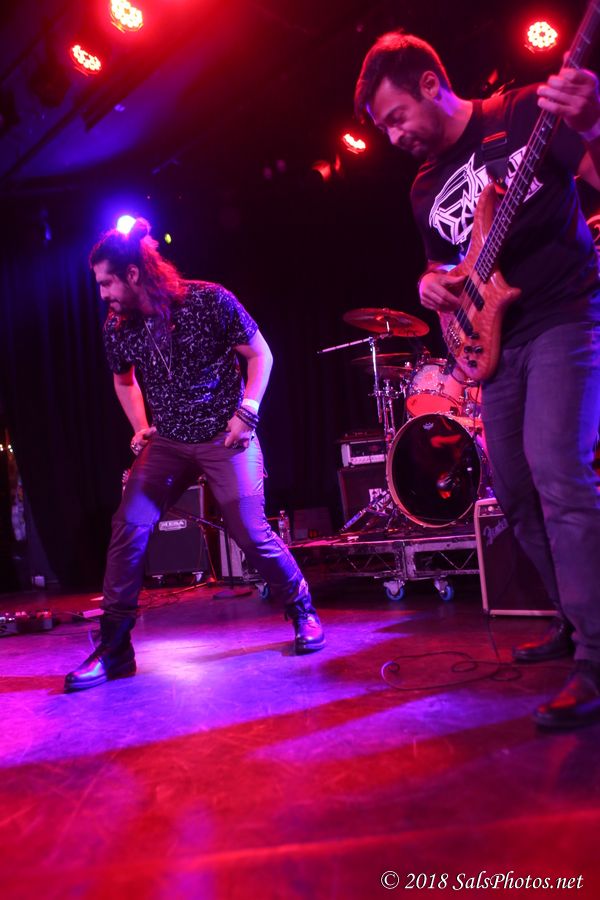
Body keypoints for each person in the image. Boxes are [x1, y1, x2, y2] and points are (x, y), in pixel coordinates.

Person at [355, 32, 600, 729]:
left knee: (559, 472)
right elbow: (451, 268)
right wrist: (430, 286)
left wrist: (593, 124)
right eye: (383, 128)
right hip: (498, 344)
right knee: (516, 495)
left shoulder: (523, 114)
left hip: (564, 314)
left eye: (396, 117)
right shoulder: (424, 187)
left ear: (431, 85)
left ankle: (597, 657)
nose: (393, 136)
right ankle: (574, 620)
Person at [64, 219, 324, 692]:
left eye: (106, 283)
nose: (102, 294)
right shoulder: (118, 327)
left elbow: (261, 355)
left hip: (226, 436)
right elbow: (123, 380)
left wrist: (248, 411)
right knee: (128, 525)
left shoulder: (208, 300)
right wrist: (140, 426)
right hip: (168, 441)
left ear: (133, 274)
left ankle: (301, 609)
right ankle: (115, 650)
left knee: (249, 530)